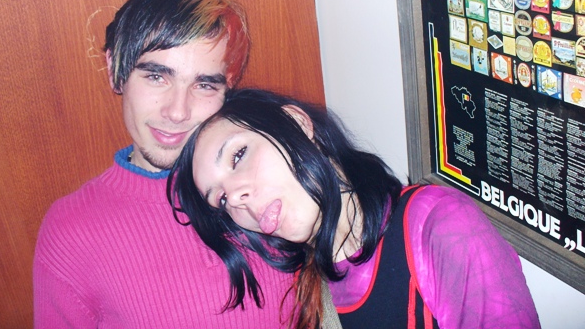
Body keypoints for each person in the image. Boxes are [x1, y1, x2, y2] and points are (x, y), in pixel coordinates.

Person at [33, 0, 296, 328]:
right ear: (115, 70)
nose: (177, 111)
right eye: (156, 76)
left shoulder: (272, 177)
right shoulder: (71, 231)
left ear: (228, 87)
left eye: (204, 84)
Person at [169, 88, 541, 329]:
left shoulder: (437, 225)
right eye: (220, 199)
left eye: (238, 155)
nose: (235, 198)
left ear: (296, 123)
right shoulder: (306, 286)